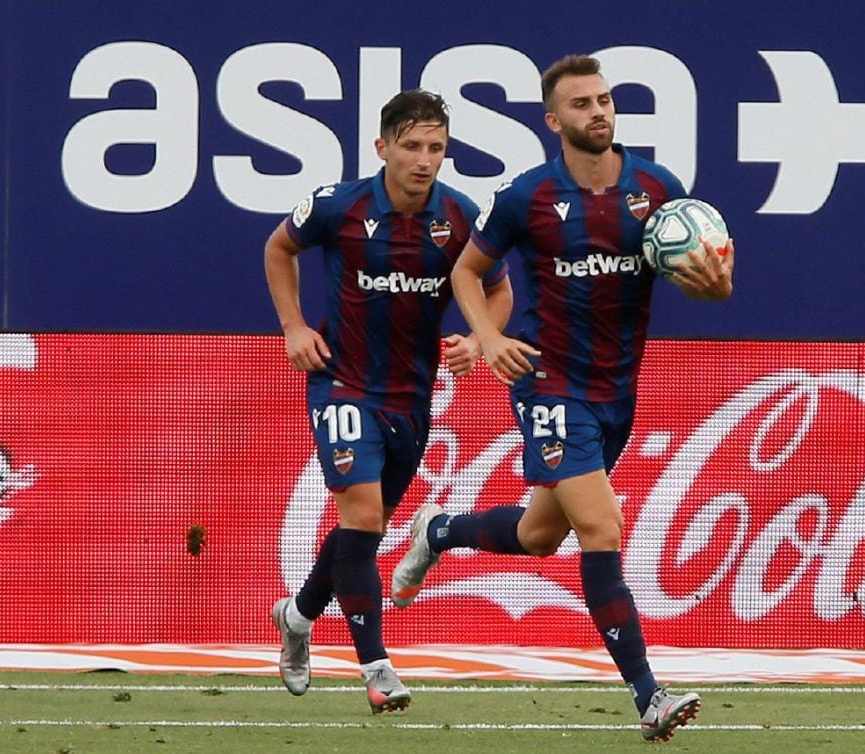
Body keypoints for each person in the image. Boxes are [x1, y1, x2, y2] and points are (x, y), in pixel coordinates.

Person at [391, 55, 734, 742]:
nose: (599, 112)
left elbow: (714, 281)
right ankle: (649, 696)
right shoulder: (529, 197)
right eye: (581, 104)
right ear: (554, 121)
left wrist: (714, 285)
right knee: (602, 529)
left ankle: (439, 531)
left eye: (604, 100)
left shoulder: (658, 190)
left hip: (616, 392)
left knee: (539, 535)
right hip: (547, 383)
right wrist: (487, 338)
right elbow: (467, 271)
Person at [264, 90, 512, 714]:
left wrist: (480, 341)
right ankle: (376, 668)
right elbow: (278, 249)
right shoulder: (339, 206)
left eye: (435, 148)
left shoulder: (459, 216)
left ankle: (296, 617)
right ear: (382, 148)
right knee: (364, 514)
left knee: (362, 527)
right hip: (342, 380)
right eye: (411, 146)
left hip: (411, 396)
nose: (424, 160)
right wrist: (295, 326)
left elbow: (498, 289)